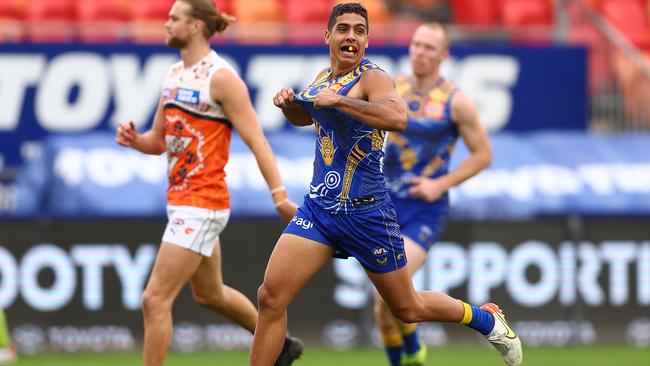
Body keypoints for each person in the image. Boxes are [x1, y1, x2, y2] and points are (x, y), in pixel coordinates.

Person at [250, 3, 522, 366]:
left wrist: (341, 101)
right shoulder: (322, 78)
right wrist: (288, 105)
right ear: (327, 35)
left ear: (366, 39)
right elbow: (306, 115)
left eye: (359, 30)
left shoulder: (373, 77)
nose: (351, 36)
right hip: (321, 210)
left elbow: (397, 116)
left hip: (368, 215)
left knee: (407, 308)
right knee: (270, 297)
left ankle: (486, 318)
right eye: (343, 28)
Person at [114, 1, 303, 365]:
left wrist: (279, 196)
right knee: (210, 294)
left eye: (174, 19)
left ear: (197, 26)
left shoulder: (222, 78)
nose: (165, 24)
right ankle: (281, 345)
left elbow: (257, 140)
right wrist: (135, 140)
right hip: (183, 201)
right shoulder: (172, 75)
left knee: (154, 300)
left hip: (202, 204)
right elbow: (158, 141)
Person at [376, 22, 493, 366]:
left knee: (391, 295)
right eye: (416, 44)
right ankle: (411, 348)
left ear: (443, 55)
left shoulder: (456, 102)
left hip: (424, 209)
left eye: (429, 47)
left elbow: (483, 154)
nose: (420, 52)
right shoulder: (392, 87)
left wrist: (440, 185)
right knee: (382, 309)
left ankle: (412, 350)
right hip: (383, 203)